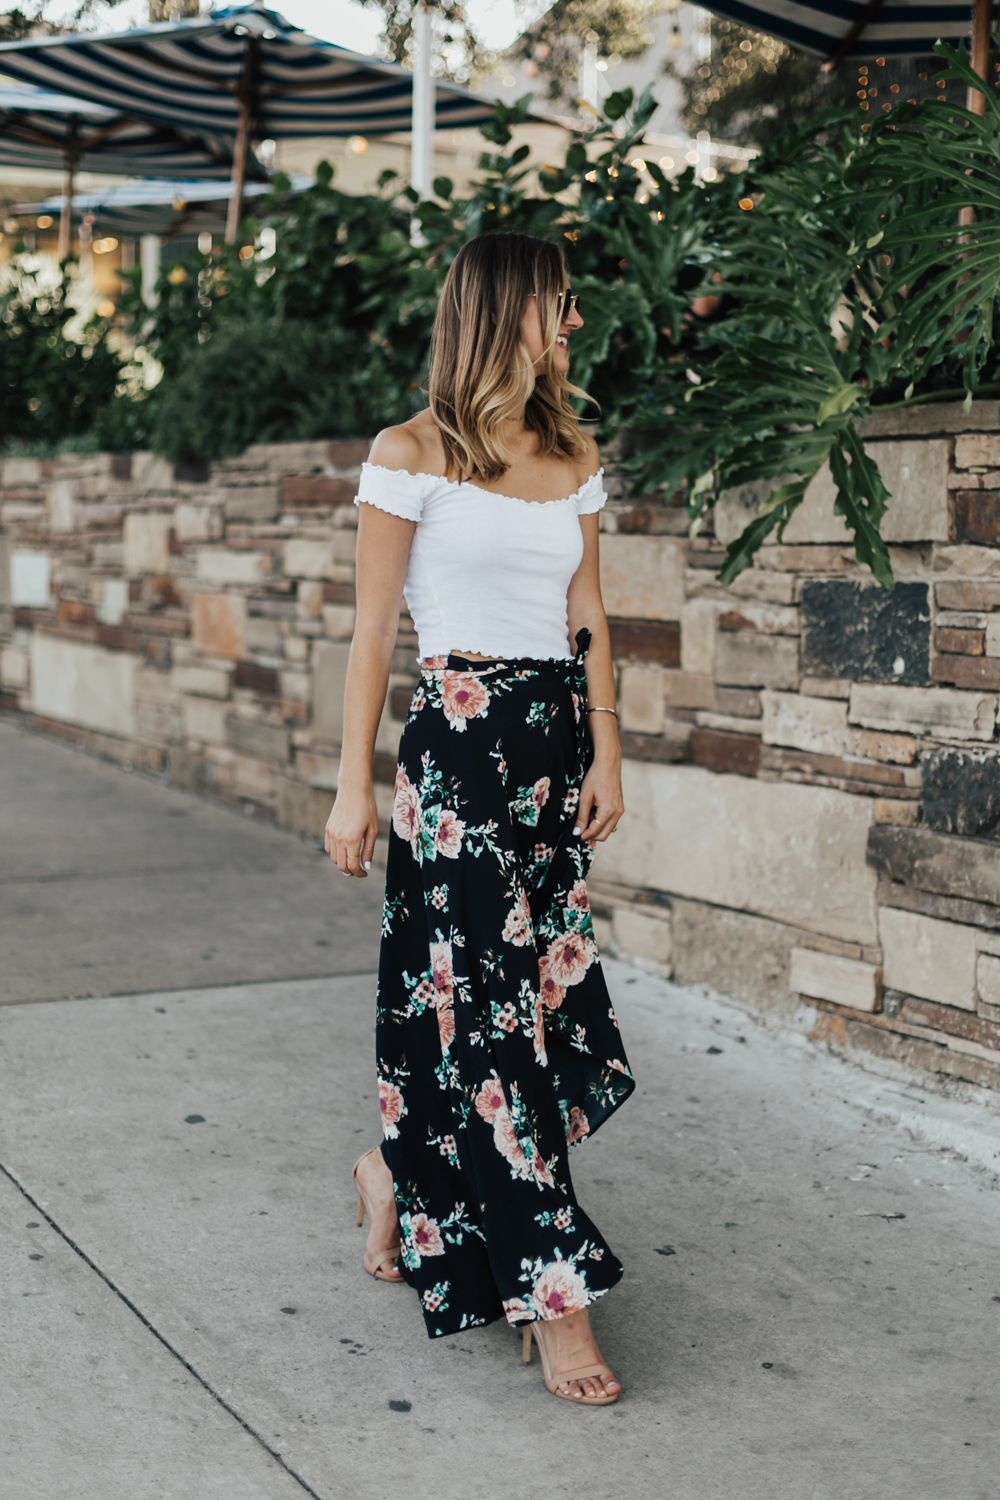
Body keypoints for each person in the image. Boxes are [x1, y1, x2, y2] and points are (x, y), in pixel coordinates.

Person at [324, 231, 635, 1406]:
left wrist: (607, 750)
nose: (570, 325)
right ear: (505, 310)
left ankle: (395, 1172)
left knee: (538, 1011)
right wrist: (352, 785)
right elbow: (369, 635)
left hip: (551, 763)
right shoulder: (408, 455)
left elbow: (591, 611)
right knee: (493, 1026)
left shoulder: (571, 454)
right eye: (557, 305)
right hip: (455, 766)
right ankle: (554, 1297)